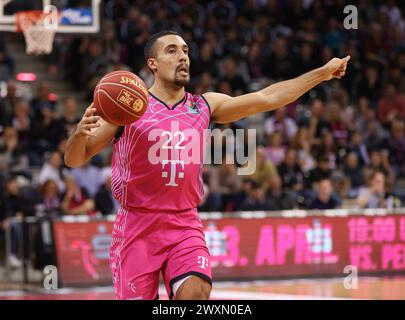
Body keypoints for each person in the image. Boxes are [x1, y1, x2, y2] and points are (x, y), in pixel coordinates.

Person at [64, 31, 350, 300]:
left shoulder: (204, 105)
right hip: (137, 225)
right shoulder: (129, 108)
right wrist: (79, 135)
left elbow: (267, 98)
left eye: (186, 51)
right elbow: (75, 158)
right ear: (152, 63)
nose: (183, 57)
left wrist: (321, 74)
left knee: (196, 290)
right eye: (172, 51)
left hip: (184, 222)